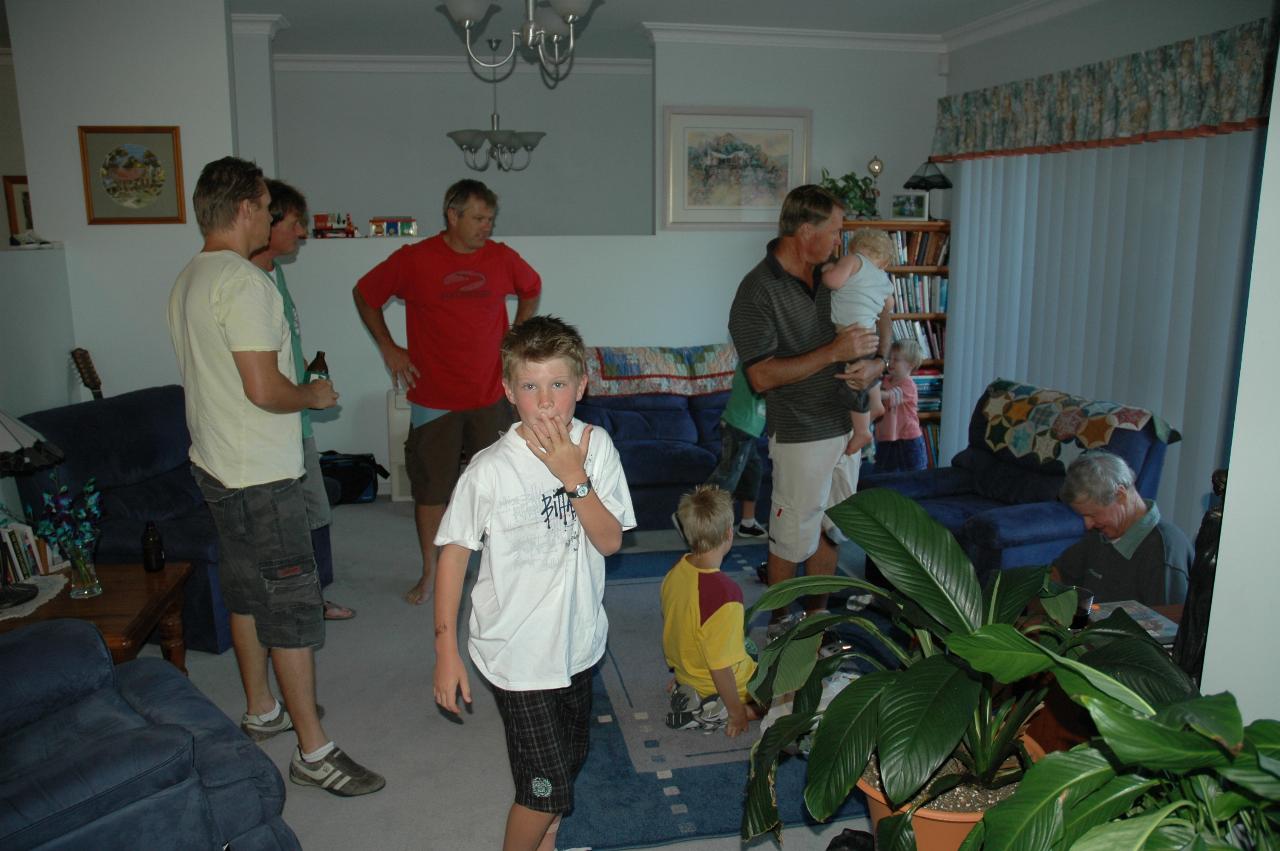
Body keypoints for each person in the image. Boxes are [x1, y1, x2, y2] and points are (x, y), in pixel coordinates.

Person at [168, 156, 383, 796]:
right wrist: (314, 395)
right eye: (265, 207)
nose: (271, 216)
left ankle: (263, 709)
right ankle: (313, 753)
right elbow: (263, 389)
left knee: (245, 593)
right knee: (289, 607)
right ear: (242, 210)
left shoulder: (189, 277)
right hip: (260, 473)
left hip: (215, 464)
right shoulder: (244, 283)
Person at [432, 315, 634, 851]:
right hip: (516, 653)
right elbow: (453, 555)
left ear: (582, 386)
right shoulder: (490, 469)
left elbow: (610, 542)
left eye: (558, 384)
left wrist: (574, 475)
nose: (546, 402)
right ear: (508, 391)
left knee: (568, 764)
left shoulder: (598, 448)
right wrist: (445, 651)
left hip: (578, 644)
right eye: (530, 386)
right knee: (544, 790)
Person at [354, 179, 541, 606]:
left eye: (490, 220)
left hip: (491, 396)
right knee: (432, 491)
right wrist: (388, 346)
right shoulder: (415, 260)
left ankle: (499, 570)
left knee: (499, 488)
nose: (486, 228)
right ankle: (431, 570)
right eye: (478, 219)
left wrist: (516, 333)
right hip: (433, 398)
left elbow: (531, 288)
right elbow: (365, 294)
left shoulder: (501, 257)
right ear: (451, 215)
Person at [726, 184, 881, 631]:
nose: (841, 241)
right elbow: (761, 376)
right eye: (835, 231)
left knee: (831, 529)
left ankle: (816, 622)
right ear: (805, 230)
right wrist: (833, 353)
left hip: (846, 426)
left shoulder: (836, 273)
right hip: (799, 432)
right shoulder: (756, 292)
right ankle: (779, 626)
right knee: (790, 538)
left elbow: (880, 308)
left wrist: (878, 363)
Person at [251, 178, 353, 622]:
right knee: (298, 515)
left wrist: (308, 378)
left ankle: (315, 595)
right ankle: (304, 599)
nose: (302, 233)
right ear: (268, 223)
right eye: (295, 223)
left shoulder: (276, 272)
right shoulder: (246, 281)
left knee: (316, 510)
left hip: (299, 418)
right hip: (274, 423)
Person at [661, 485, 763, 738]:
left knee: (747, 645)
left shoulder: (678, 568)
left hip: (687, 672)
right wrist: (738, 713)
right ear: (729, 533)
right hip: (718, 682)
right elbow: (720, 666)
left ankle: (688, 690)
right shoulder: (725, 594)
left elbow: (678, 624)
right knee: (789, 691)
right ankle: (722, 709)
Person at [1053, 450, 1192, 607]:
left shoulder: (1164, 552)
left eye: (1093, 514)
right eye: (1082, 516)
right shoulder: (1098, 533)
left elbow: (1169, 626)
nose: (1087, 524)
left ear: (1120, 495)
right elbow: (1059, 578)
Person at [822, 228, 896, 456]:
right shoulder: (883, 277)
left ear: (853, 247)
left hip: (851, 335)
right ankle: (875, 405)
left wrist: (828, 270)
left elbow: (833, 282)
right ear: (883, 261)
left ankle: (862, 430)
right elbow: (889, 305)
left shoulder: (854, 261)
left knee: (853, 380)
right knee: (867, 374)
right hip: (870, 336)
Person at [673, 364, 767, 543]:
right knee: (727, 477)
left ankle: (748, 522)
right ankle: (685, 517)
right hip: (739, 427)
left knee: (753, 472)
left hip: (750, 429)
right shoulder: (754, 361)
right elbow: (765, 387)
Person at [873, 339, 928, 472]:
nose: (890, 362)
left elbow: (888, 395)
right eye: (889, 358)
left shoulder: (908, 385)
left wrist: (871, 392)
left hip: (908, 438)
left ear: (911, 364)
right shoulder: (884, 381)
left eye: (896, 360)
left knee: (914, 474)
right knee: (883, 475)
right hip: (886, 437)